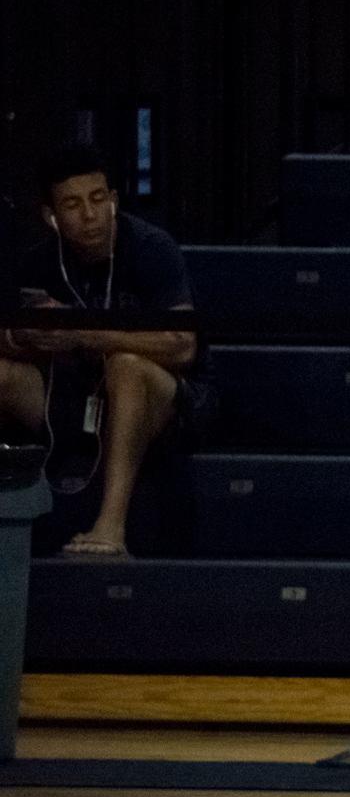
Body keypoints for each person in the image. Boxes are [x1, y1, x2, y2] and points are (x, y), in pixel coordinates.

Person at [0, 143, 212, 558]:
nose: (90, 214)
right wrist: (26, 336)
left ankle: (111, 528)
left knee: (126, 366)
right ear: (52, 216)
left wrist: (83, 334)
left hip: (168, 400)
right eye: (74, 205)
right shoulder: (38, 262)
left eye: (99, 199)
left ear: (114, 200)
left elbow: (183, 347)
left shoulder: (150, 247)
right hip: (75, 398)